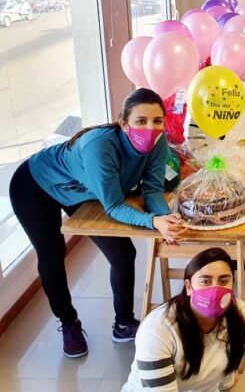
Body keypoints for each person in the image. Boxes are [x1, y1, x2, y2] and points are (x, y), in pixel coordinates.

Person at [9, 88, 184, 358]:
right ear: (124, 123)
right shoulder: (98, 146)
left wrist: (165, 220)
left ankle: (123, 323)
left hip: (83, 189)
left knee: (123, 254)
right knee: (52, 254)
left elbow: (153, 190)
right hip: (35, 185)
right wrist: (153, 221)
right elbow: (114, 206)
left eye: (157, 121)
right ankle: (68, 321)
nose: (150, 128)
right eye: (141, 121)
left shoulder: (159, 143)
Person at [122, 248, 245, 392]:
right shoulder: (156, 331)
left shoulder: (241, 313)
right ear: (188, 287)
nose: (215, 290)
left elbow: (228, 374)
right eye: (205, 281)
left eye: (224, 281)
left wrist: (226, 381)